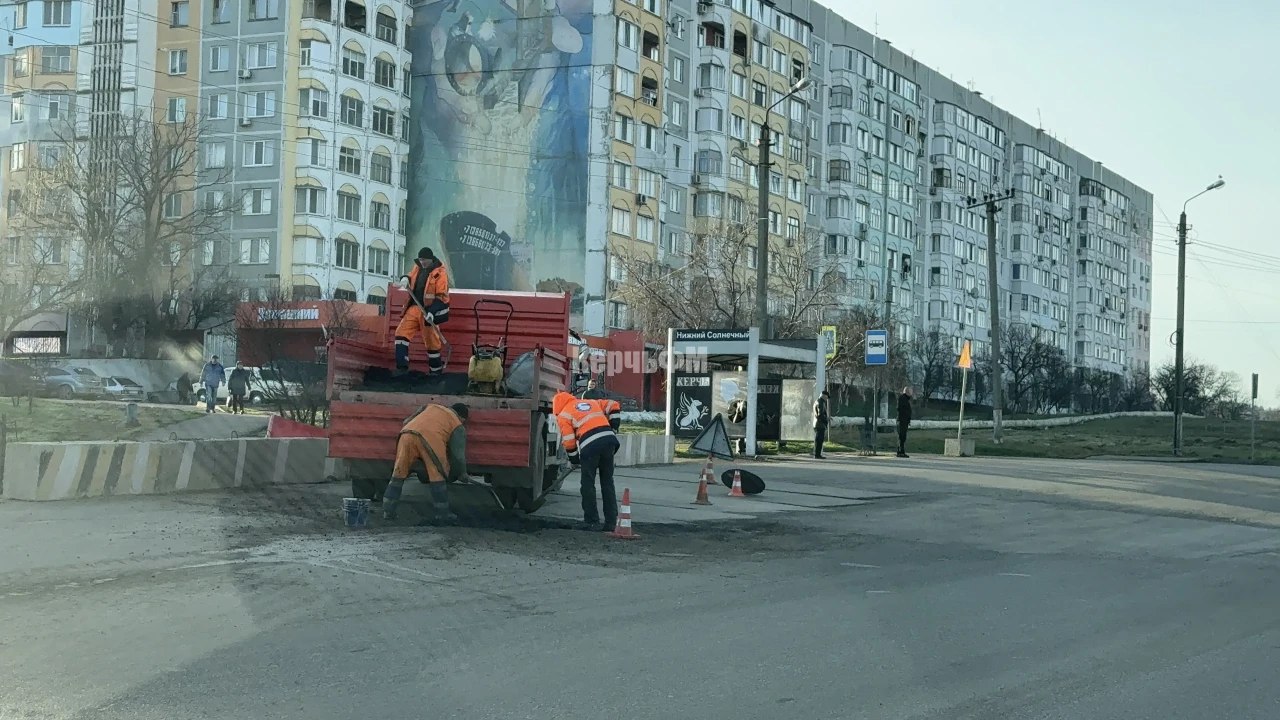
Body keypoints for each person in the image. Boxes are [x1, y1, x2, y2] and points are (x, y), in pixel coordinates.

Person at [382, 402, 471, 524]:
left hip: (407, 434)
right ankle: (443, 514)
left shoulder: (431, 406)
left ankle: (388, 512)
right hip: (431, 441)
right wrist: (462, 473)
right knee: (437, 477)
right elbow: (458, 455)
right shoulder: (457, 423)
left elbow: (405, 421)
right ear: (462, 417)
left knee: (398, 475)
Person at [552, 391, 621, 532]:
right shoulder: (591, 402)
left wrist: (574, 459)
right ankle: (611, 522)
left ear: (556, 408)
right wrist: (614, 427)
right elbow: (613, 405)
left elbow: (569, 441)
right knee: (607, 482)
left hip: (590, 445)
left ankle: (591, 521)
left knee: (587, 484)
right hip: (609, 442)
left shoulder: (564, 415)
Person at [394, 247, 451, 376]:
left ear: (430, 260)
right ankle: (401, 367)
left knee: (432, 343)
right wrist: (405, 278)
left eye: (424, 260)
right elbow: (410, 275)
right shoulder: (417, 267)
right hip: (414, 307)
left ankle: (435, 372)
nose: (422, 263)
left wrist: (432, 311)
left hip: (428, 311)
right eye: (420, 260)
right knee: (401, 334)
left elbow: (442, 296)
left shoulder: (440, 273)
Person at [813, 389, 830, 459]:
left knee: (818, 439)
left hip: (816, 423)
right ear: (824, 396)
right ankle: (817, 454)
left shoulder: (817, 401)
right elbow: (820, 414)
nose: (827, 399)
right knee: (819, 440)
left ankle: (817, 453)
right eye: (826, 397)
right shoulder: (821, 402)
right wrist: (826, 419)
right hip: (820, 424)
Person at [896, 386, 914, 458]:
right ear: (907, 392)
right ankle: (900, 452)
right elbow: (900, 409)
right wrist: (905, 417)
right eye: (911, 391)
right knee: (902, 436)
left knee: (902, 437)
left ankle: (901, 451)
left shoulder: (905, 399)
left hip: (904, 421)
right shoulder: (902, 399)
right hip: (902, 421)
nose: (912, 393)